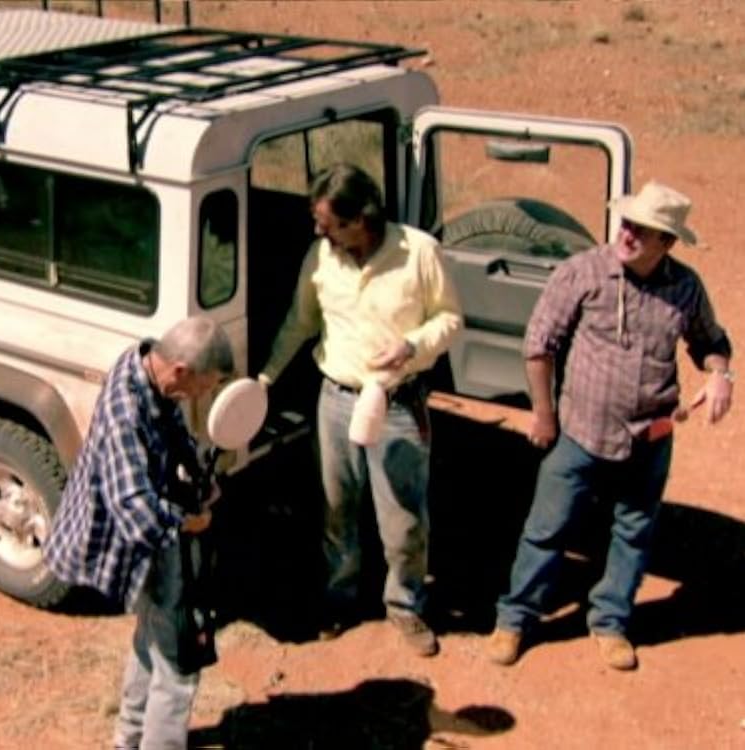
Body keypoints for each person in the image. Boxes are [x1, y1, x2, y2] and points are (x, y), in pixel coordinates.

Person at [487, 180, 734, 671]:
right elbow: (539, 345)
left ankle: (610, 622)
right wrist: (544, 414)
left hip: (650, 437)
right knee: (547, 528)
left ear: (667, 242)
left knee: (633, 532)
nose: (628, 234)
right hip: (579, 432)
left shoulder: (686, 287)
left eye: (643, 230)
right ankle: (514, 619)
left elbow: (711, 342)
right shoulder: (583, 272)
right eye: (627, 224)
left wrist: (720, 375)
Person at [258, 163, 463, 656]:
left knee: (404, 517)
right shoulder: (320, 257)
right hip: (335, 401)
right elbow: (300, 322)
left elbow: (451, 319)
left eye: (328, 223)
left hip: (396, 404)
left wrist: (412, 346)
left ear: (361, 220)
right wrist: (265, 378)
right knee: (335, 509)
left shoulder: (419, 252)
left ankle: (405, 604)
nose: (318, 232)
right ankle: (339, 598)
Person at [43, 316, 234, 750]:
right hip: (141, 535)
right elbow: (134, 507)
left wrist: (196, 470)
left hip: (149, 527)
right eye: (204, 386)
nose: (202, 396)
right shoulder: (125, 413)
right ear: (181, 370)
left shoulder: (146, 363)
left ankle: (127, 738)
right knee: (179, 659)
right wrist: (187, 521)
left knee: (151, 638)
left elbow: (171, 423)